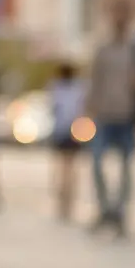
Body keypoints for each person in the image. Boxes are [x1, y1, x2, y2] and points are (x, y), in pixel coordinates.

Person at [84, 2, 135, 238]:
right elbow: (94, 80)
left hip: (128, 115)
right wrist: (89, 109)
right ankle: (104, 210)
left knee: (126, 168)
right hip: (104, 115)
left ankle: (120, 214)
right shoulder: (102, 48)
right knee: (97, 163)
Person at [48, 64, 88, 222]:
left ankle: (63, 199)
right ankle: (67, 198)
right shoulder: (79, 89)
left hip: (62, 131)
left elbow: (53, 109)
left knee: (63, 167)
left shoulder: (56, 89)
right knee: (70, 167)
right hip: (72, 131)